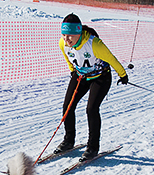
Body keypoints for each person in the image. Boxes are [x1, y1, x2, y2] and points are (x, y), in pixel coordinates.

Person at [54, 13, 130, 161]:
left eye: (70, 35)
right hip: (81, 76)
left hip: (100, 77)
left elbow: (112, 59)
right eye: (64, 35)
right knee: (67, 106)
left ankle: (93, 147)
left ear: (78, 33)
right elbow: (68, 58)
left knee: (91, 109)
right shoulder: (62, 43)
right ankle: (69, 140)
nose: (66, 39)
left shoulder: (93, 44)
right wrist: (72, 71)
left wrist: (123, 75)